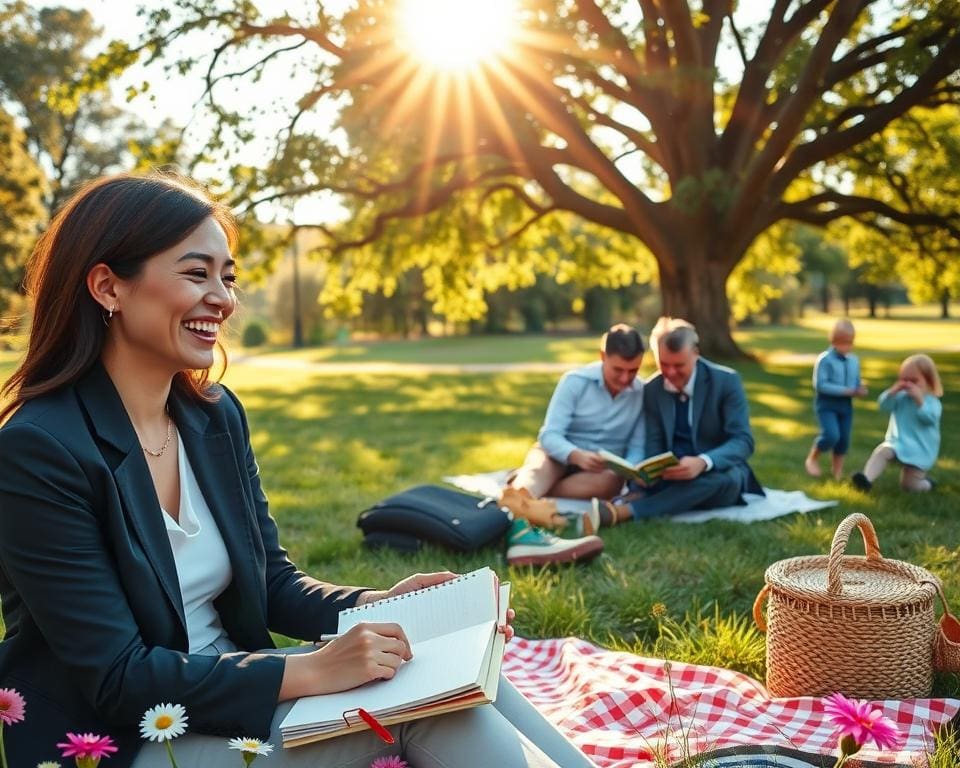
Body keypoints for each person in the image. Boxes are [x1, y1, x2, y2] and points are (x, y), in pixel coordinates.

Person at [0, 172, 594, 768]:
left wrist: (384, 604)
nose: (224, 299)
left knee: (440, 665)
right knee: (434, 709)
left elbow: (274, 584)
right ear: (108, 287)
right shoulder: (39, 450)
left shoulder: (213, 417)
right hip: (127, 738)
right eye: (195, 273)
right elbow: (118, 679)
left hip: (235, 691)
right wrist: (312, 669)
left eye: (227, 277)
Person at [593, 317, 763, 524]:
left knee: (725, 481)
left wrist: (703, 462)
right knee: (656, 485)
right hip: (671, 476)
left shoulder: (726, 382)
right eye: (663, 364)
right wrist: (650, 473)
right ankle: (649, 498)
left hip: (716, 472)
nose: (671, 373)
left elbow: (743, 441)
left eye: (679, 365)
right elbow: (654, 442)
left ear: (696, 354)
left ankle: (626, 512)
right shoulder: (653, 389)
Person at [499, 324, 645, 548]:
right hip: (560, 455)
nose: (626, 378)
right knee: (540, 467)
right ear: (602, 356)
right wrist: (576, 455)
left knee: (612, 482)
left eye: (633, 370)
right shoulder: (575, 381)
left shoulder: (642, 393)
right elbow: (550, 434)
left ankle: (527, 500)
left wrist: (631, 468)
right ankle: (522, 499)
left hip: (600, 471)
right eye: (618, 370)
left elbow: (637, 445)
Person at [851, 354, 943, 493]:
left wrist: (920, 401)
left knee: (909, 486)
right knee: (883, 451)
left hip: (919, 449)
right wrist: (892, 392)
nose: (908, 384)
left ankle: (927, 484)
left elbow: (929, 418)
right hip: (898, 443)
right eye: (904, 379)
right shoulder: (901, 397)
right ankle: (866, 480)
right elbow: (883, 406)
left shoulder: (932, 402)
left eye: (914, 380)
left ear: (929, 381)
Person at [804, 318, 869, 479]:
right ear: (833, 341)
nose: (847, 346)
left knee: (843, 439)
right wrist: (845, 391)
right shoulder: (825, 359)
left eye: (850, 342)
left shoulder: (854, 360)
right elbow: (820, 385)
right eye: (843, 342)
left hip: (845, 406)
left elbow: (856, 381)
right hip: (827, 405)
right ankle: (812, 458)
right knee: (832, 435)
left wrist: (860, 389)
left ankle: (837, 471)